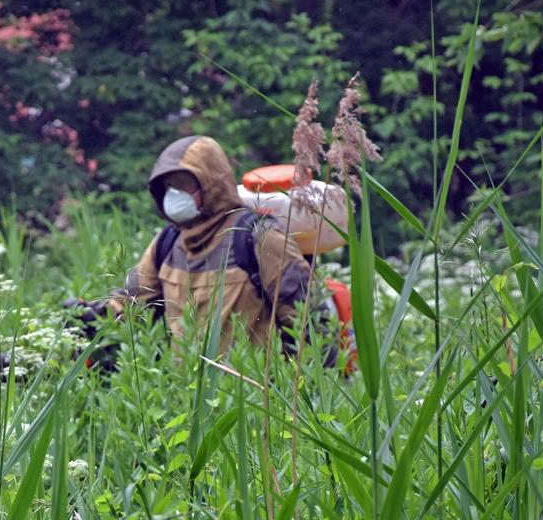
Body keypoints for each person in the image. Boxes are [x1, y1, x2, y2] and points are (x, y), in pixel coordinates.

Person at [73, 135, 344, 365]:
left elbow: (307, 319)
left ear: (211, 183)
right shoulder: (168, 242)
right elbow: (131, 303)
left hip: (253, 401)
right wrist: (88, 316)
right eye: (168, 186)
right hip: (186, 397)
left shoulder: (257, 236)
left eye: (184, 184)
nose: (174, 194)